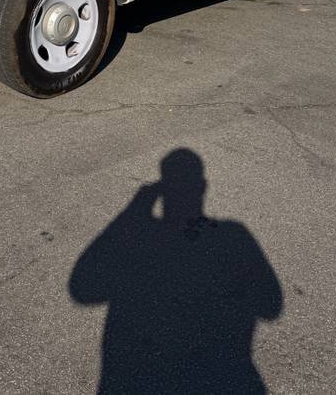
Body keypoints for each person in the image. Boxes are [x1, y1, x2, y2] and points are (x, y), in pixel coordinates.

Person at [69, 149, 283, 394]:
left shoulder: (143, 235)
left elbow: (83, 288)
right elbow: (270, 305)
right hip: (225, 376)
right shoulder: (233, 234)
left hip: (135, 378)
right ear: (202, 186)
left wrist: (134, 210)